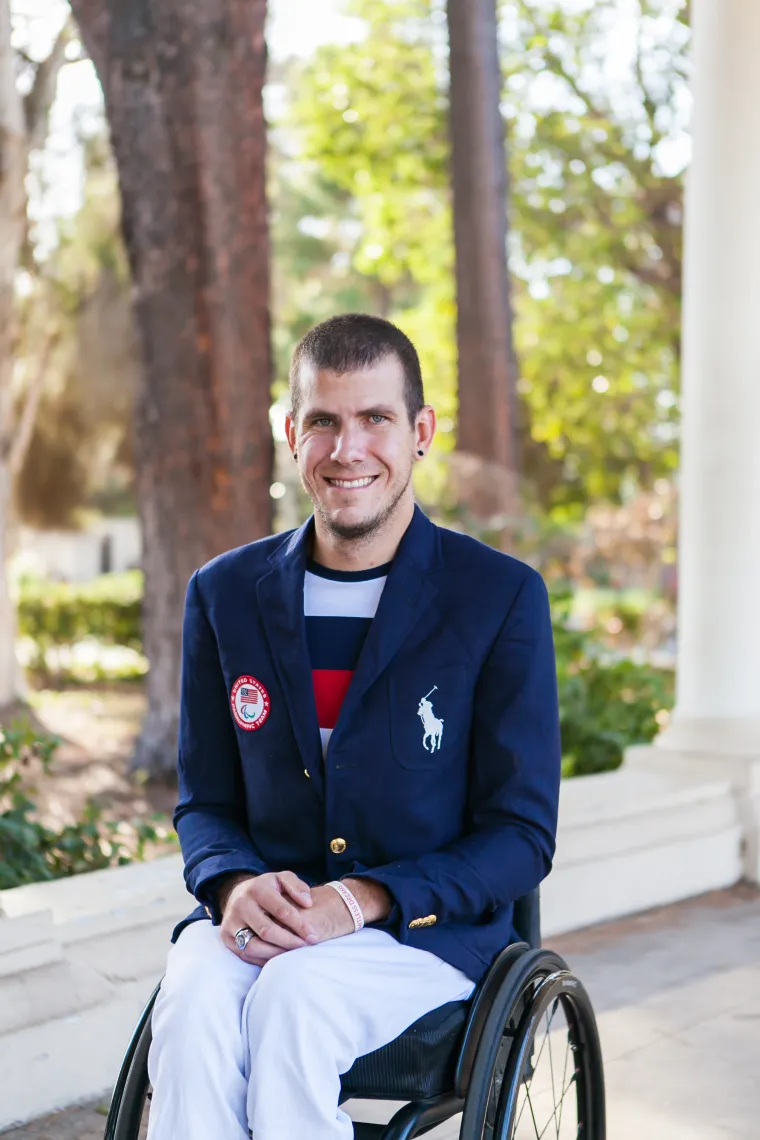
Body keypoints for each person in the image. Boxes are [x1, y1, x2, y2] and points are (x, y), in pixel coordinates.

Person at [146, 313, 561, 1140]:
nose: (348, 449)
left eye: (376, 419)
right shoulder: (223, 595)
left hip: (424, 938)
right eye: (325, 422)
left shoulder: (499, 598)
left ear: (421, 434)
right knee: (189, 1004)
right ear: (292, 432)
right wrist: (232, 885)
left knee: (295, 1004)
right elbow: (206, 803)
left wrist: (362, 899)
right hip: (260, 916)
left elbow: (521, 834)